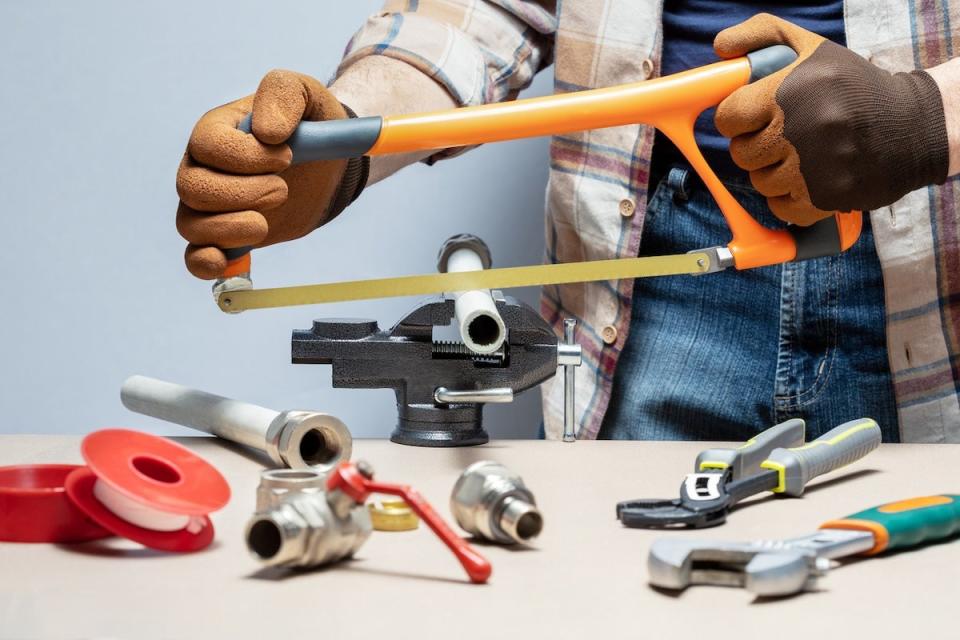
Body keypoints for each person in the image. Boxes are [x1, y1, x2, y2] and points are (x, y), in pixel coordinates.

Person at [174, 2, 960, 443]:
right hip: (666, 268)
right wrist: (348, 139)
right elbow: (472, 15)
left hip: (936, 266)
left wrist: (928, 121)